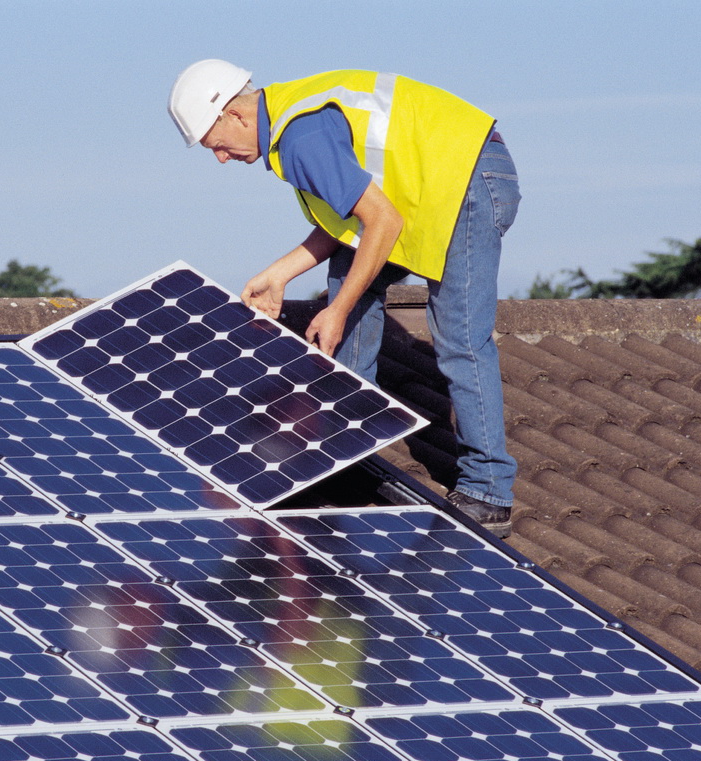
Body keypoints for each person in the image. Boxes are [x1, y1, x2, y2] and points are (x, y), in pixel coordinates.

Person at [168, 60, 520, 537]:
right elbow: (347, 224)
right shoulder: (291, 126)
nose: (221, 159)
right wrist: (282, 273)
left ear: (236, 115)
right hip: (430, 185)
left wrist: (336, 310)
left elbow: (382, 222)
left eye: (217, 146)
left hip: (467, 176)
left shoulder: (301, 138)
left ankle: (488, 491)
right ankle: (347, 450)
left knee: (458, 335)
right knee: (348, 282)